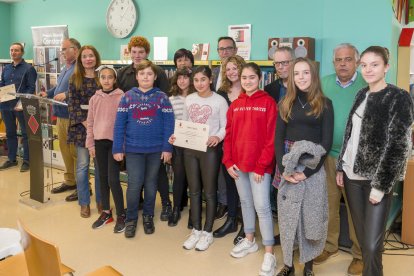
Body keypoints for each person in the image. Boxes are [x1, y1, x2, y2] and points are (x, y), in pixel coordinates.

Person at [336, 46, 414, 276]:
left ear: (386, 67)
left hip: (376, 180)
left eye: (375, 64)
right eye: (364, 65)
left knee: (371, 243)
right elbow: (350, 135)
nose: (368, 70)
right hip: (351, 177)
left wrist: (380, 186)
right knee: (363, 240)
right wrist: (341, 165)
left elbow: (399, 145)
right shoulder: (361, 94)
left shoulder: (399, 97)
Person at [275, 57, 333, 276]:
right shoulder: (285, 103)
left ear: (313, 75)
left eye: (306, 72)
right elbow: (278, 139)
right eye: (297, 73)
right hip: (288, 166)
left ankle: (308, 266)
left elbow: (325, 144)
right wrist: (285, 171)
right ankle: (288, 265)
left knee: (310, 218)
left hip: (312, 167)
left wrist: (306, 173)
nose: (301, 77)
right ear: (291, 77)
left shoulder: (325, 104)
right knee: (289, 219)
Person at [314, 43, 366, 275]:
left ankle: (360, 255)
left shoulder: (367, 84)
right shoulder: (324, 83)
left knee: (356, 209)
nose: (343, 63)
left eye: (347, 59)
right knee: (329, 205)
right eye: (338, 60)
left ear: (356, 61)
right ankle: (330, 246)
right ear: (333, 62)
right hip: (329, 156)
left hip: (356, 159)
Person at [223, 62, 277, 276]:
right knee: (245, 203)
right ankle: (249, 240)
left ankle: (270, 252)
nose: (247, 81)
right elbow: (229, 135)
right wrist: (228, 162)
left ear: (259, 78)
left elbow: (271, 138)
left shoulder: (268, 103)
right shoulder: (236, 104)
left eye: (251, 77)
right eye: (244, 78)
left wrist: (261, 165)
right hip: (238, 165)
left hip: (259, 168)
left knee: (262, 207)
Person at [113, 60, 174, 239]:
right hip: (133, 150)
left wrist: (167, 147)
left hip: (156, 150)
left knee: (150, 184)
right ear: (137, 76)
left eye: (149, 74)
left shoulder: (162, 97)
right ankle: (131, 218)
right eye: (142, 74)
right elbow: (119, 125)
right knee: (134, 184)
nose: (145, 77)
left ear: (155, 77)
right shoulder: (127, 97)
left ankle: (148, 216)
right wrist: (118, 147)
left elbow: (169, 125)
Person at [170, 65, 228, 251]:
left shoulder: (219, 101)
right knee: (194, 191)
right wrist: (176, 136)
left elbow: (225, 127)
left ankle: (208, 232)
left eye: (203, 79)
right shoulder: (190, 99)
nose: (199, 83)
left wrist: (216, 137)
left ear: (210, 80)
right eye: (196, 80)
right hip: (190, 149)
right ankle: (196, 230)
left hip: (209, 150)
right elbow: (185, 123)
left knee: (209, 192)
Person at [86, 65, 125, 233]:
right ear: (99, 79)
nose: (107, 80)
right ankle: (107, 212)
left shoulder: (122, 97)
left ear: (114, 79)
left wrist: (121, 146)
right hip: (99, 143)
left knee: (113, 179)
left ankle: (121, 214)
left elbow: (124, 123)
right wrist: (91, 144)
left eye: (110, 77)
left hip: (115, 144)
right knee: (102, 178)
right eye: (103, 77)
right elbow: (90, 123)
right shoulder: (94, 99)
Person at [41, 38, 81, 202]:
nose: (62, 53)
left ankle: (82, 186)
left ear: (75, 50)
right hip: (60, 115)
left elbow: (81, 90)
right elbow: (59, 87)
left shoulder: (81, 68)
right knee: (65, 151)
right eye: (62, 50)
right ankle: (70, 181)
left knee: (75, 153)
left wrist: (66, 95)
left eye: (64, 49)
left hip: (72, 116)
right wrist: (48, 94)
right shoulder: (66, 67)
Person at [67, 45, 102, 218]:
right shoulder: (74, 79)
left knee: (100, 168)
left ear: (96, 58)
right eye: (85, 56)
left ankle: (101, 202)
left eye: (91, 56)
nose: (88, 59)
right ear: (80, 60)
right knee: (82, 168)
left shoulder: (103, 77)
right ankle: (84, 203)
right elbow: (73, 105)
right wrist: (88, 123)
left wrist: (98, 124)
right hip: (82, 129)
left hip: (102, 129)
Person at [214, 55, 245, 241]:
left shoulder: (250, 90)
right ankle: (232, 220)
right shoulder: (221, 92)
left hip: (247, 145)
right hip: (228, 145)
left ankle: (246, 224)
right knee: (230, 184)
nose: (232, 72)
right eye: (229, 69)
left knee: (246, 187)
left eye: (235, 68)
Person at [0, 42, 37, 172]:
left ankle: (27, 160)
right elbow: (2, 84)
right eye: (11, 50)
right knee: (10, 133)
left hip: (21, 106)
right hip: (6, 105)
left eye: (16, 50)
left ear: (22, 52)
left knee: (26, 134)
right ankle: (11, 159)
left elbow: (31, 87)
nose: (13, 52)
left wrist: (22, 103)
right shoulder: (6, 68)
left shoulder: (29, 68)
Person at [212, 36, 238, 220]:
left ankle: (238, 208)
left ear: (235, 50)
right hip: (221, 133)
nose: (225, 51)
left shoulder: (244, 79)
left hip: (241, 136)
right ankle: (225, 202)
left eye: (228, 48)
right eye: (221, 49)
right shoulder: (213, 73)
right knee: (223, 171)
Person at [167, 67, 194, 227]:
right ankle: (176, 208)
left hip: (195, 145)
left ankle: (193, 211)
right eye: (179, 78)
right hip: (178, 144)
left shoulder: (196, 98)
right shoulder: (172, 99)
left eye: (186, 77)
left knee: (194, 179)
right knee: (179, 176)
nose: (182, 81)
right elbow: (170, 123)